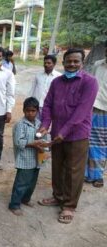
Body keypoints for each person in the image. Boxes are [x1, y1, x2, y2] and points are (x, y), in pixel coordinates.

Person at [37, 48, 98, 224]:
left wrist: (63, 133)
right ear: (63, 63)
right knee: (57, 166)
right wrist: (45, 125)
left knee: (74, 170)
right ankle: (58, 196)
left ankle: (69, 205)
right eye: (68, 61)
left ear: (82, 63)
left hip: (77, 135)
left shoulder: (90, 82)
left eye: (76, 61)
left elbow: (81, 112)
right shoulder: (56, 82)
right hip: (57, 133)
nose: (72, 64)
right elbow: (47, 105)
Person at [9, 97, 45, 216]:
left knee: (32, 183)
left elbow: (44, 138)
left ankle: (25, 199)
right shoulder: (20, 124)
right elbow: (19, 142)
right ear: (24, 111)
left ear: (37, 111)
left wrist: (44, 145)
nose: (30, 113)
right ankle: (14, 204)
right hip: (25, 160)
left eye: (33, 111)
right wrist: (33, 144)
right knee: (21, 183)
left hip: (37, 159)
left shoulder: (39, 124)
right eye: (28, 111)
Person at [85, 40, 107, 188]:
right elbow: (90, 84)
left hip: (105, 110)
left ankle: (99, 175)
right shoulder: (98, 64)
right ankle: (89, 174)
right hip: (92, 107)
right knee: (89, 142)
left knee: (102, 144)